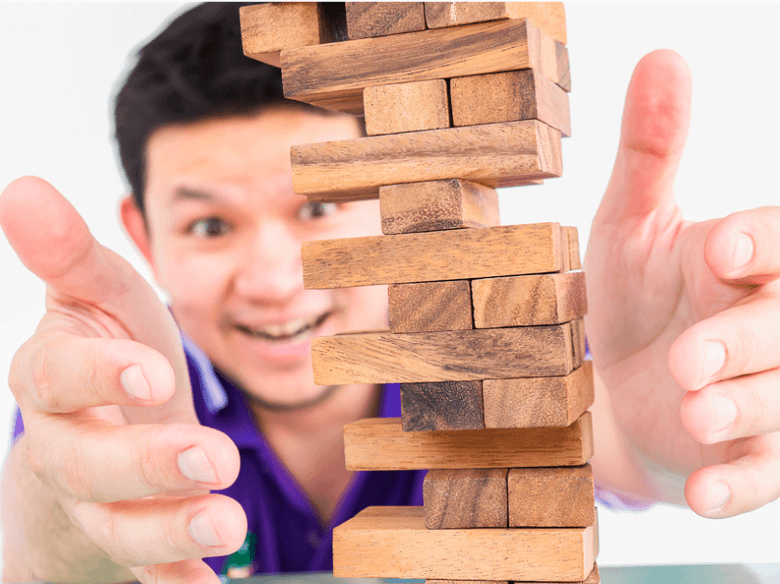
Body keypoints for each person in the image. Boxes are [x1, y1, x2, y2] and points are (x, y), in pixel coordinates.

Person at [1, 3, 779, 584]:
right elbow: (44, 545)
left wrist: (664, 431)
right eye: (209, 226)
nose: (274, 282)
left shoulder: (497, 356)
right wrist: (61, 515)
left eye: (317, 206)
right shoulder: (115, 389)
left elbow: (618, 442)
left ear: (402, 201)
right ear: (143, 237)